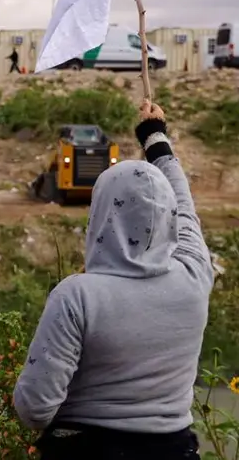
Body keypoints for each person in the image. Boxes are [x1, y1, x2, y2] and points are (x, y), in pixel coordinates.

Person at [13, 100, 210, 460]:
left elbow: (34, 409)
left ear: (102, 214)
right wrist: (155, 137)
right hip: (176, 450)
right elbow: (186, 207)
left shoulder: (77, 297)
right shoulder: (194, 276)